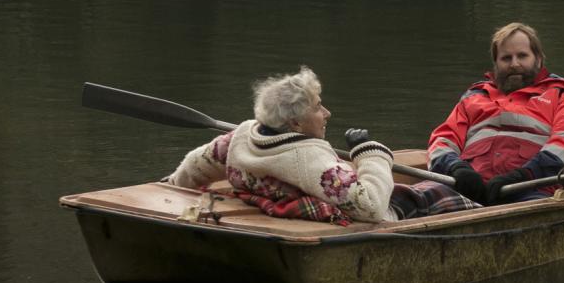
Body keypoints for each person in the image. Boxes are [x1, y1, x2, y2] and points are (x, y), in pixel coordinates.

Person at [165, 67, 473, 224]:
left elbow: (195, 165)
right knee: (438, 193)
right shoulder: (309, 160)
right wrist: (370, 152)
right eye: (318, 107)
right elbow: (371, 207)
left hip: (272, 201)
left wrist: (175, 187)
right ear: (295, 124)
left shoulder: (240, 137)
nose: (327, 114)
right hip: (379, 216)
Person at [425, 22, 564, 204]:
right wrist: (456, 167)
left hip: (531, 188)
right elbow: (442, 140)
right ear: (496, 63)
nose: (514, 64)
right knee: (413, 198)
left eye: (522, 56)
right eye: (506, 58)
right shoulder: (474, 96)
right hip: (469, 188)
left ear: (538, 59)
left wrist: (524, 175)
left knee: (531, 214)